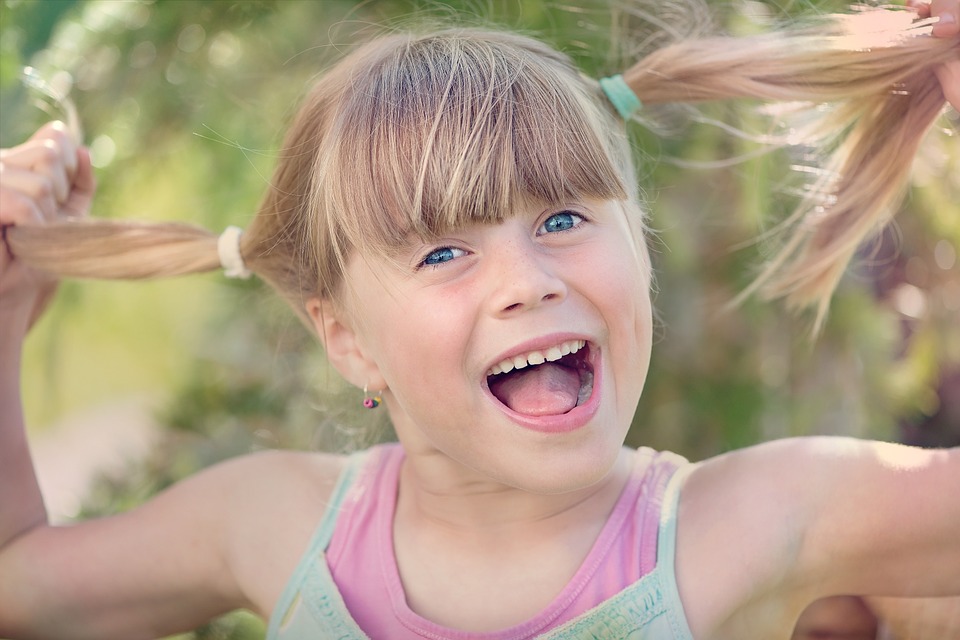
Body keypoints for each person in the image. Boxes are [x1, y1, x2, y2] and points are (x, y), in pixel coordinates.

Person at [1, 0, 958, 637]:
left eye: (564, 218)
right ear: (345, 339)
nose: (528, 280)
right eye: (444, 252)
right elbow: (19, 584)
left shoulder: (755, 519)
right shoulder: (275, 525)